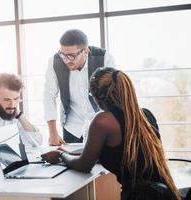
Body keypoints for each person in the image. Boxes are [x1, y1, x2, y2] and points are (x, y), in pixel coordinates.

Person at [42, 67, 181, 200]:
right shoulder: (145, 115)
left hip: (140, 196)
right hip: (165, 193)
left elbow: (84, 165)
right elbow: (123, 155)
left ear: (97, 96)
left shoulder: (103, 121)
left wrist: (61, 155)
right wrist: (71, 154)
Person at [43, 29, 116, 145]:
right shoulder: (54, 62)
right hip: (72, 128)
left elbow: (115, 95)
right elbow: (49, 96)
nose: (66, 60)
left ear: (85, 51)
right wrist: (52, 132)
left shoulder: (105, 57)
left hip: (100, 125)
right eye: (62, 54)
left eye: (71, 56)